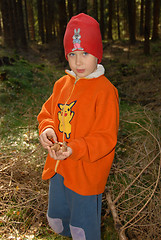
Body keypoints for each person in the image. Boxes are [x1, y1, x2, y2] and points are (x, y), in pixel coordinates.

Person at [37, 13, 119, 240]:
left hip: (86, 173)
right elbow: (47, 113)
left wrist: (74, 148)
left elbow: (106, 137)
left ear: (98, 55)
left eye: (85, 53)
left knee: (83, 230)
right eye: (72, 54)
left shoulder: (105, 91)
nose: (78, 61)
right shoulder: (61, 85)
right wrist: (47, 129)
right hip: (59, 168)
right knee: (58, 220)